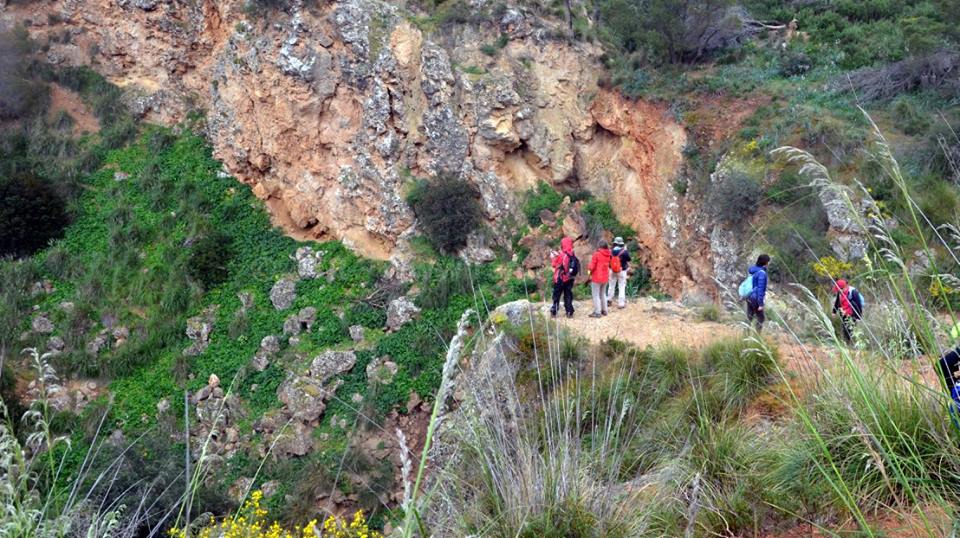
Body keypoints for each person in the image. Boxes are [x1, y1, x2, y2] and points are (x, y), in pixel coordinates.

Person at [549, 237, 578, 318]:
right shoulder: (572, 253)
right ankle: (569, 312)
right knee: (568, 295)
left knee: (556, 295)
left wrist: (552, 257)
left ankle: (554, 311)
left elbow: (554, 265)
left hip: (560, 279)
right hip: (569, 279)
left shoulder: (562, 255)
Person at [832, 279, 864, 343]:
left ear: (844, 287)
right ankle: (847, 342)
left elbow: (858, 305)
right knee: (844, 328)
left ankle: (850, 343)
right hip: (843, 312)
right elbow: (837, 302)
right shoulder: (840, 292)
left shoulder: (853, 292)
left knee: (850, 329)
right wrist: (834, 312)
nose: (838, 291)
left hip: (852, 314)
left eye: (839, 290)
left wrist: (858, 317)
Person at [587, 240, 612, 318]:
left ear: (599, 246)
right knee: (603, 294)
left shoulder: (597, 254)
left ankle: (597, 312)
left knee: (596, 295)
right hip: (605, 277)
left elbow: (591, 266)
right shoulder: (608, 254)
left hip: (597, 277)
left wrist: (588, 272)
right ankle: (604, 310)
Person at [745, 254, 770, 332]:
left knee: (749, 317)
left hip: (749, 296)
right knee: (761, 318)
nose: (768, 263)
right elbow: (760, 289)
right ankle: (757, 337)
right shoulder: (762, 273)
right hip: (756, 298)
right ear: (765, 262)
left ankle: (745, 336)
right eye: (768, 262)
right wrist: (761, 304)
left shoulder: (752, 270)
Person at [607, 236, 632, 309]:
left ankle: (609, 300)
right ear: (621, 244)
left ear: (614, 243)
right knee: (621, 286)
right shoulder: (624, 252)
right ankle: (621, 303)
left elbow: (608, 260)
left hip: (612, 270)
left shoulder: (610, 251)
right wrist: (625, 250)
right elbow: (629, 259)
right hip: (622, 270)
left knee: (611, 285)